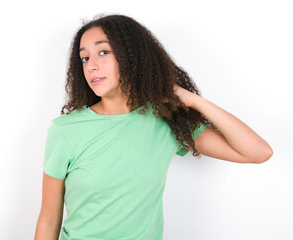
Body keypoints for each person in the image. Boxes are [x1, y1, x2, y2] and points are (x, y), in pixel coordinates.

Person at [34, 13, 273, 240]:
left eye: (103, 52)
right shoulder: (65, 130)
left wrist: (195, 101)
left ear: (132, 56)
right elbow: (48, 218)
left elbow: (258, 152)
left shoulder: (165, 120)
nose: (91, 65)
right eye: (84, 58)